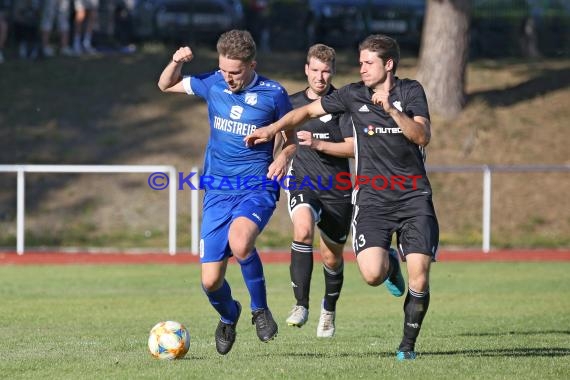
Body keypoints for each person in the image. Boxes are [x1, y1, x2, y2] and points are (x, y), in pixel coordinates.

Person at [245, 34, 439, 360]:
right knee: (372, 275)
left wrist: (391, 110)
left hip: (413, 197)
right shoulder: (351, 95)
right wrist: (271, 130)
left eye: (368, 63)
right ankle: (390, 262)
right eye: (360, 62)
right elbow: (304, 112)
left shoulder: (411, 91)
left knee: (419, 273)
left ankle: (407, 345)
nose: (361, 68)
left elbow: (422, 135)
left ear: (388, 64)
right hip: (373, 199)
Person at [158, 29, 295, 355]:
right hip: (218, 190)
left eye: (234, 72)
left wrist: (283, 157)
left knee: (241, 240)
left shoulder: (274, 94)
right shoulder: (213, 83)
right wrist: (176, 61)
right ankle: (229, 314)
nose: (228, 77)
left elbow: (291, 140)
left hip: (256, 186)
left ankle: (259, 310)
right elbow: (165, 85)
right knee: (209, 281)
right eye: (223, 70)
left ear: (251, 65)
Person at [284, 43, 354, 338]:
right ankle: (300, 305)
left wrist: (318, 144)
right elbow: (286, 140)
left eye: (326, 71)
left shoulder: (343, 104)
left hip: (337, 188)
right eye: (315, 70)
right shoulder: (292, 102)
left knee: (331, 258)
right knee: (302, 231)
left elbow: (353, 148)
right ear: (306, 70)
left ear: (332, 72)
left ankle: (329, 309)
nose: (320, 77)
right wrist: (279, 157)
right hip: (303, 181)